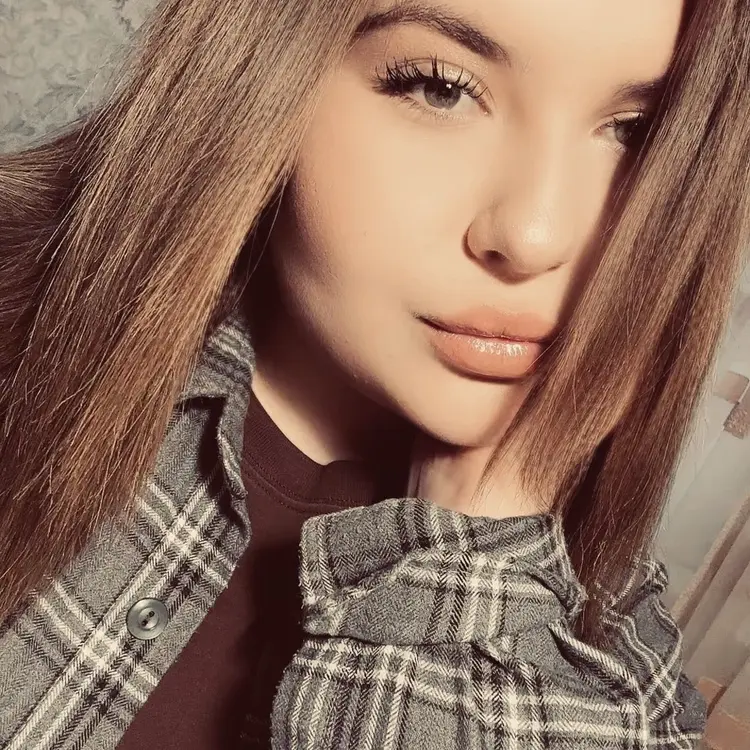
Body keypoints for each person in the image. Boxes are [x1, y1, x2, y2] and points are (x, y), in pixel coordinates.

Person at [0, 0, 748, 747]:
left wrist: (474, 572)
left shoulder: (612, 652)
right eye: (440, 88)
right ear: (260, 67)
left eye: (635, 131)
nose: (533, 236)